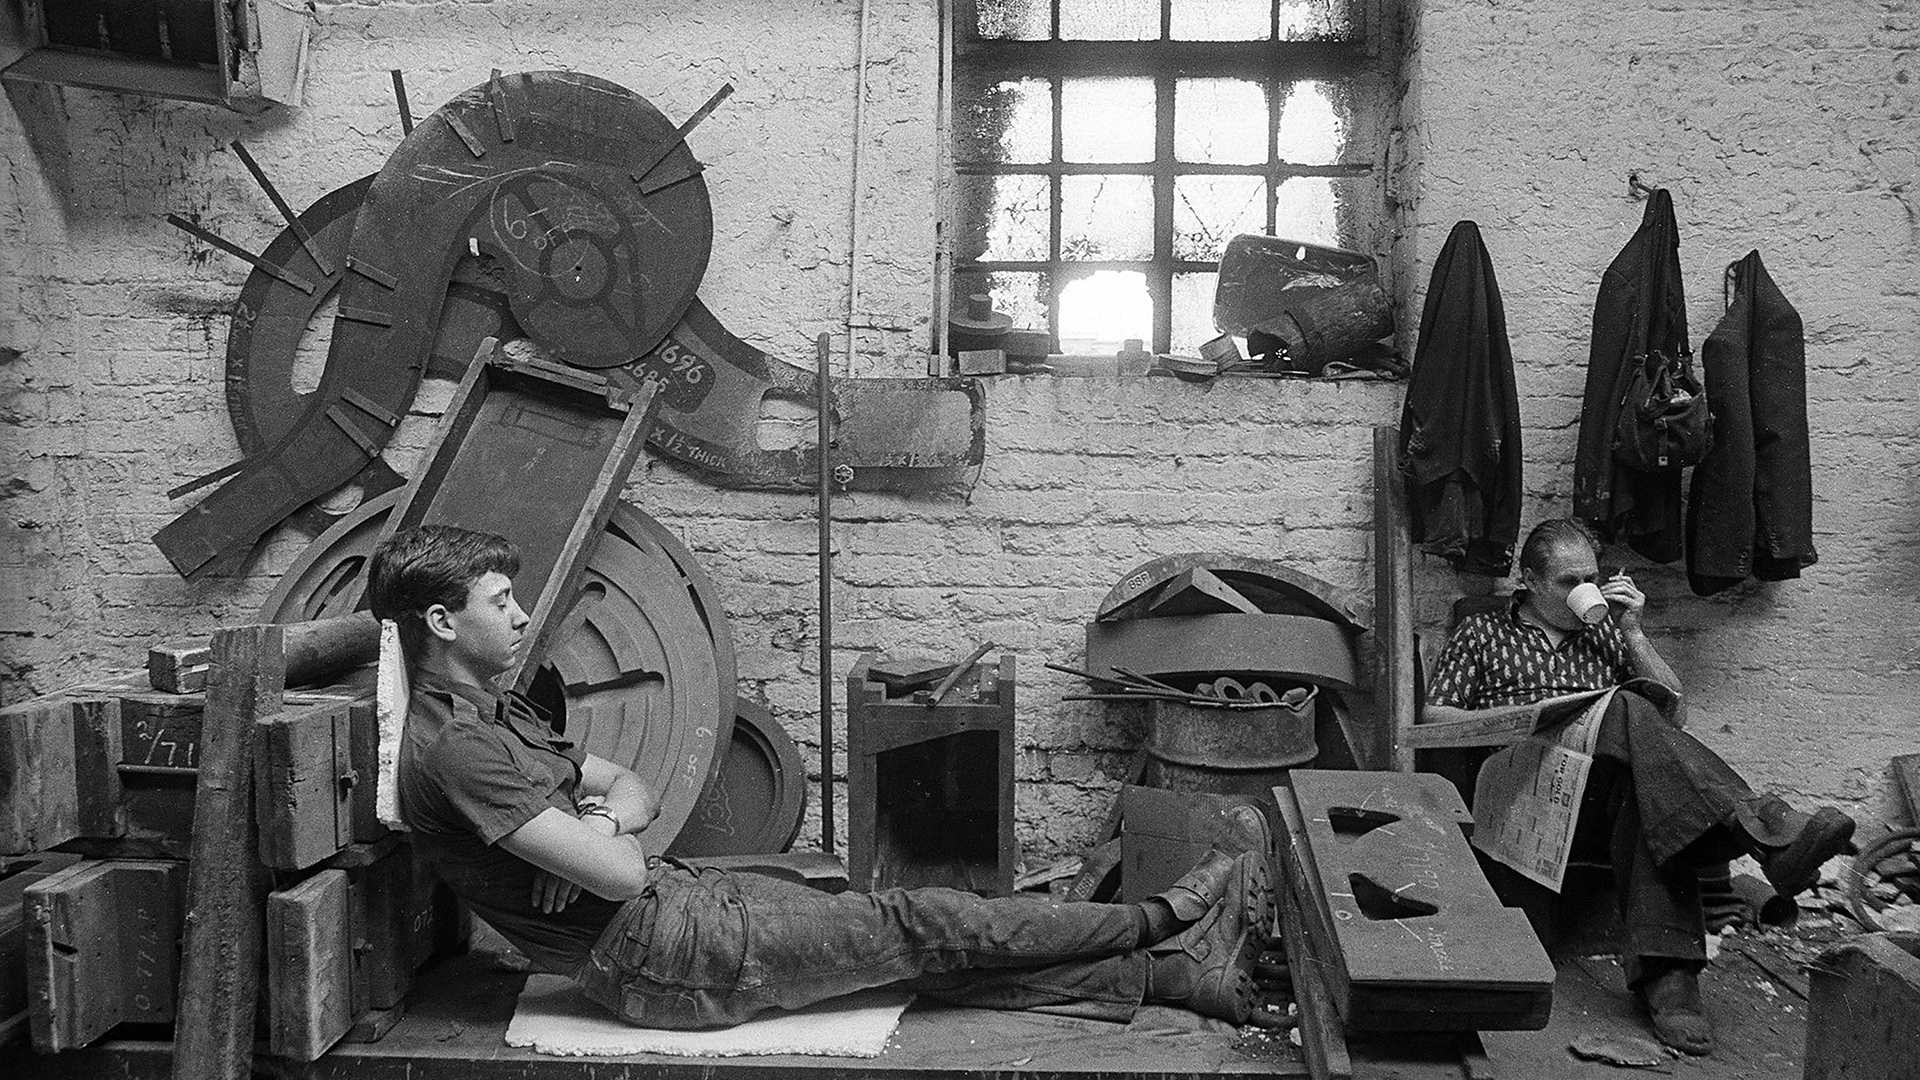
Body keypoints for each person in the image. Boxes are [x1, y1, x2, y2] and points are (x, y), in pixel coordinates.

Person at [366, 524, 1275, 1031]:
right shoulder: (457, 751)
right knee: (919, 917)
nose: (524, 617)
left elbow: (628, 787)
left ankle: (1176, 981)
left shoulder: (501, 711)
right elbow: (619, 872)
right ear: (442, 625)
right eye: (501, 605)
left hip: (672, 918)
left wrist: (593, 829)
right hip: (659, 960)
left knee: (913, 958)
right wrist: (599, 846)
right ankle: (1166, 921)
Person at [1422, 518, 1855, 1056]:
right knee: (1626, 708)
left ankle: (1672, 984)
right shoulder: (1484, 632)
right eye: (1567, 581)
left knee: (1643, 780)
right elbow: (1435, 716)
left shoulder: (1606, 631)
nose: (1585, 590)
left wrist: (1634, 633)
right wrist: (1528, 716)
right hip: (1522, 786)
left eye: (1591, 576)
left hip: (1600, 792)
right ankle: (1761, 829)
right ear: (1530, 581)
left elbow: (1674, 714)